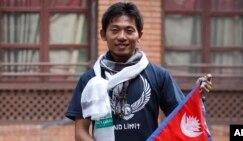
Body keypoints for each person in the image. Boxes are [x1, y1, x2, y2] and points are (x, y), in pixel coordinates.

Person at [65, 2, 212, 141]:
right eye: (115, 30)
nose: (122, 37)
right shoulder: (90, 79)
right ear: (103, 34)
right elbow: (81, 132)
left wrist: (196, 100)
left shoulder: (158, 75)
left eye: (129, 30)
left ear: (139, 35)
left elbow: (180, 118)